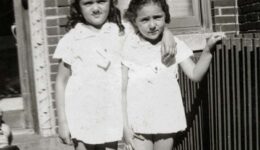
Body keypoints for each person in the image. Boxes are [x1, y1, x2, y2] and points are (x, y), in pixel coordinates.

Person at [54, 0, 176, 150]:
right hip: (83, 113)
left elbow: (150, 25)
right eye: (88, 3)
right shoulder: (72, 39)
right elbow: (61, 81)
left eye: (101, 1)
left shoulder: (122, 31)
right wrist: (62, 122)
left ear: (111, 3)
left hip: (111, 111)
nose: (96, 8)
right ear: (78, 7)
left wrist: (167, 33)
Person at [121, 0, 226, 150]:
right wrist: (125, 126)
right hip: (137, 121)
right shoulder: (128, 46)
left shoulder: (174, 45)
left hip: (166, 118)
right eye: (144, 19)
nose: (152, 25)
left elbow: (195, 74)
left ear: (166, 17)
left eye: (157, 17)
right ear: (134, 22)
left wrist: (207, 50)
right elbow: (122, 91)